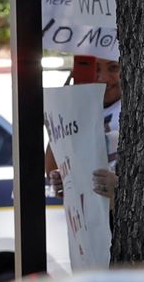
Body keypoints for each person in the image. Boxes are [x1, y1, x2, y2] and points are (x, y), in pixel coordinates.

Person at [47, 55, 121, 203]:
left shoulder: (141, 112)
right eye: (95, 68)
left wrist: (119, 189)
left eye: (113, 68)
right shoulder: (80, 109)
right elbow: (52, 166)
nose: (103, 78)